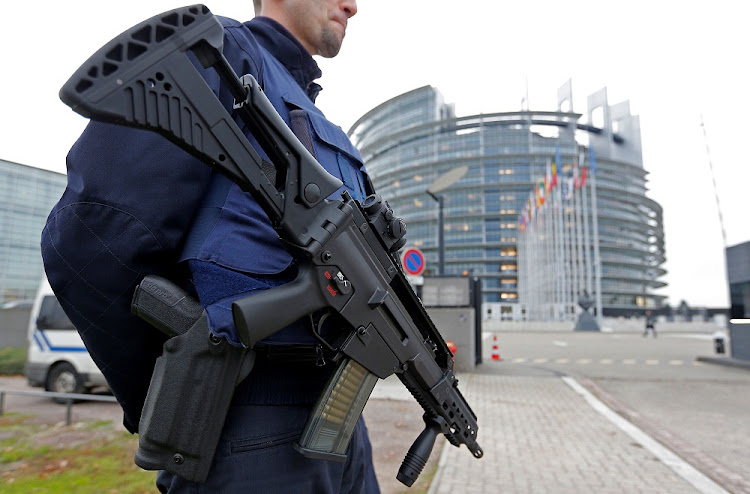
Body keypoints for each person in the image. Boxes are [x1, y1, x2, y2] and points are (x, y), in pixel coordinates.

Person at [41, 0, 380, 492]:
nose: (353, 4)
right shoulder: (218, 53)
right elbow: (95, 235)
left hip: (341, 431)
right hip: (252, 431)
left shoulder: (316, 114)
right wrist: (188, 384)